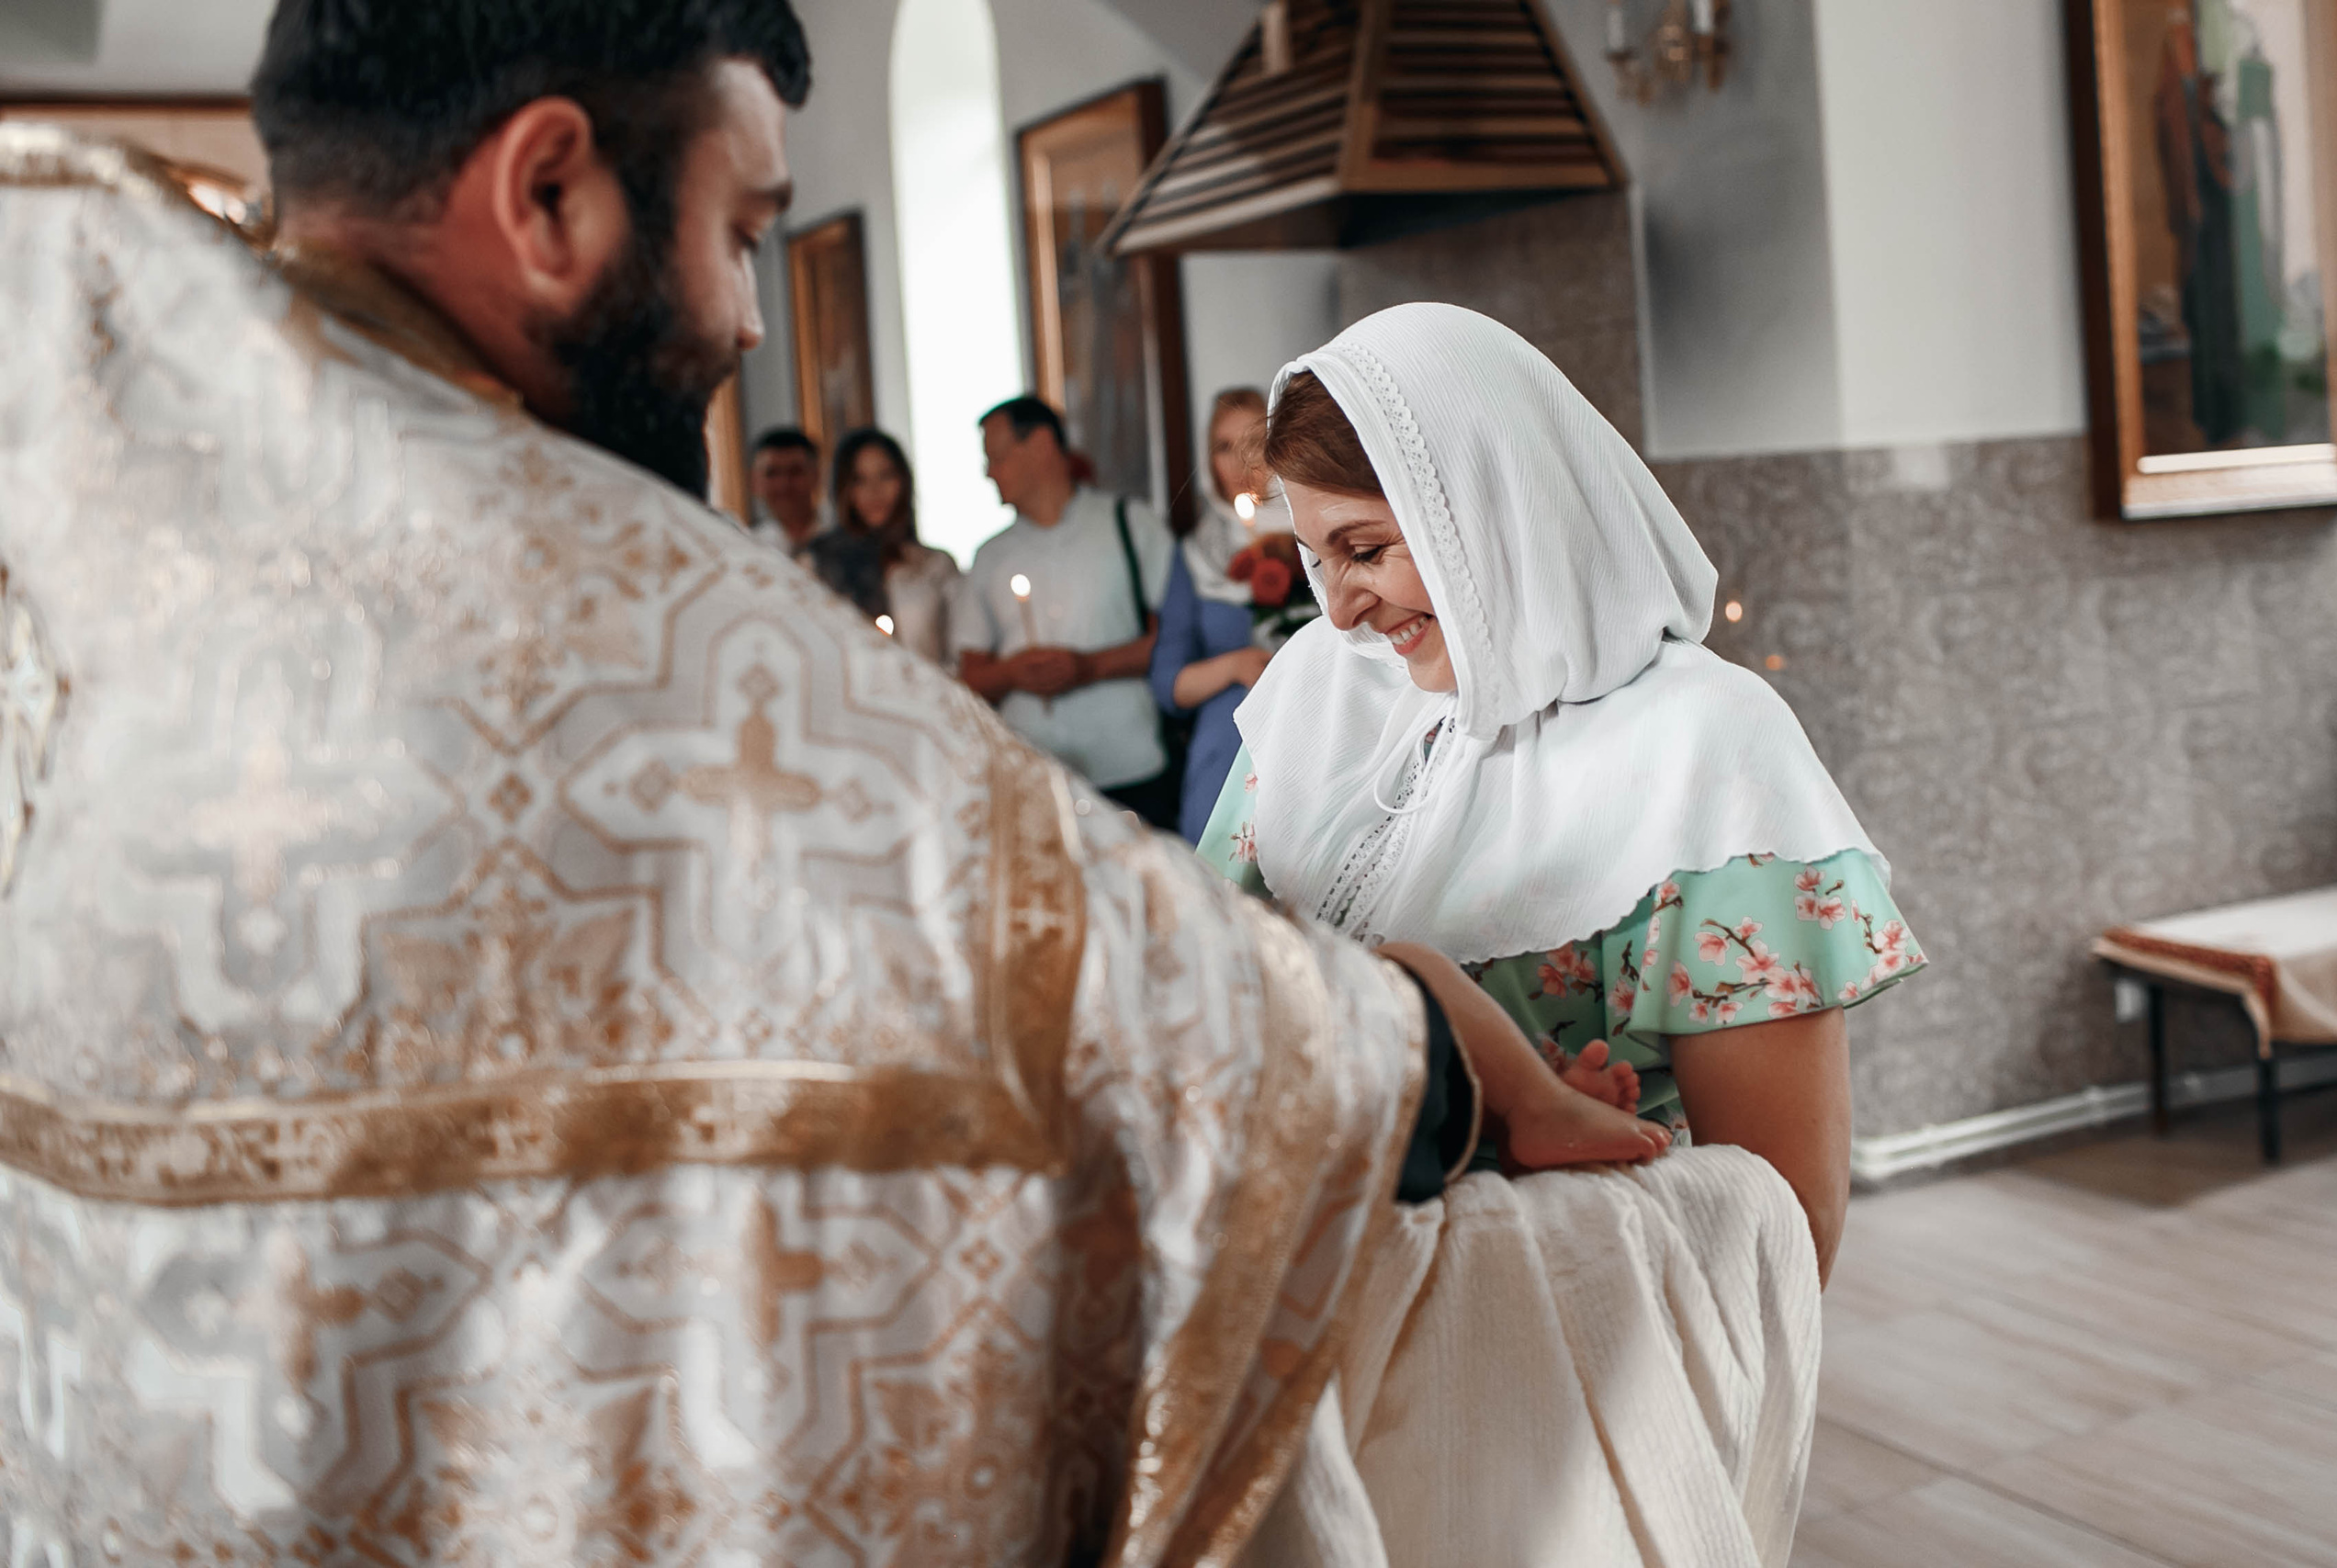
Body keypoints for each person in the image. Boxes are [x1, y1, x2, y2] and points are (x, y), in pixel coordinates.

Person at [0, 9, 1680, 1562]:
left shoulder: (93, 535)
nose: (748, 318)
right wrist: (1423, 1047)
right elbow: (1102, 995)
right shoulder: (579, 596)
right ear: (551, 192)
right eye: (742, 231)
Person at [1202, 304, 1907, 1565]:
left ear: (1487, 506)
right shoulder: (1315, 697)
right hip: (1290, 1376)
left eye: (1366, 548)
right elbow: (1210, 979)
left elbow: (1781, 1218)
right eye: (1314, 560)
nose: (1342, 611)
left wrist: (1568, 1176)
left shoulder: (1707, 748)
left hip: (1571, 1404)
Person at [953, 395, 1180, 825]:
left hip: (1131, 767)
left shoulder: (1130, 524)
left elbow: (1175, 640)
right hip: (1033, 773)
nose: (989, 473)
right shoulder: (989, 557)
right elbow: (969, 677)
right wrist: (1013, 672)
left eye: (997, 457)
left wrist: (1089, 667)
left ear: (1040, 444)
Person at [1150, 386, 1279, 844]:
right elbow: (1168, 683)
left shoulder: (1321, 534)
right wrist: (1234, 665)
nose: (1240, 462)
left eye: (1253, 443)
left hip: (1317, 737)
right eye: (1224, 447)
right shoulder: (1196, 556)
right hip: (1227, 757)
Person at [806, 426, 960, 665]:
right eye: (859, 480)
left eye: (885, 475)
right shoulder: (817, 564)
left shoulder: (935, 565)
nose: (874, 491)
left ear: (903, 481)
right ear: (844, 488)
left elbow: (959, 655)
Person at [746, 424, 828, 553]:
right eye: (771, 473)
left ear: (816, 476)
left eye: (795, 472)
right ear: (755, 481)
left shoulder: (847, 538)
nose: (783, 484)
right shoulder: (749, 549)